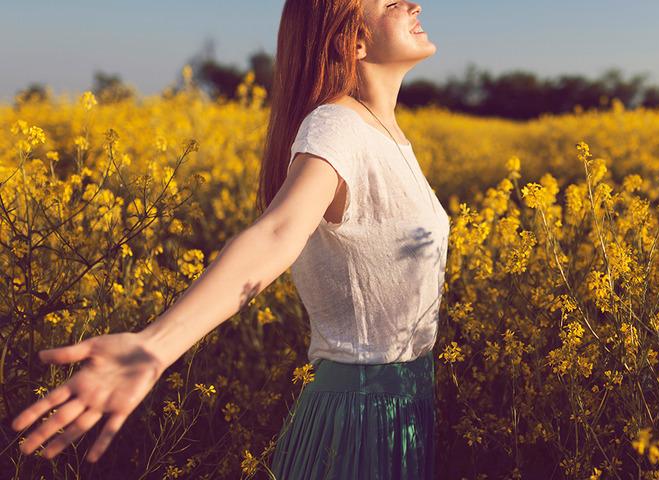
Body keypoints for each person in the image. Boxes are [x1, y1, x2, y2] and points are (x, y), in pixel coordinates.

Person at [11, 0, 446, 478]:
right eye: (388, 2)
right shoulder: (337, 126)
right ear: (354, 42)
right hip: (358, 417)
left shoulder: (384, 133)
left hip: (406, 406)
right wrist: (156, 346)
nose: (413, 3)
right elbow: (277, 232)